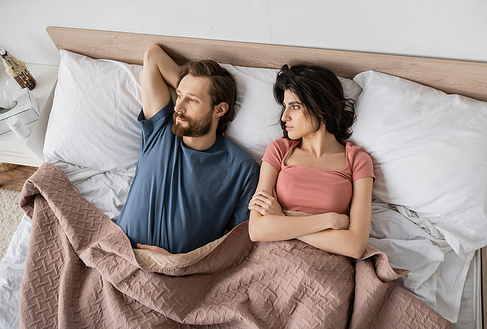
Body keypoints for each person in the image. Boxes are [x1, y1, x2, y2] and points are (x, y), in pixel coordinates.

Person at [116, 44, 259, 254]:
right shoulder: (160, 131)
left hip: (180, 275)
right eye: (179, 95)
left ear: (220, 109)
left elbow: (238, 243)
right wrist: (192, 89)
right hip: (117, 255)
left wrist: (177, 262)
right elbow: (153, 56)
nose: (178, 107)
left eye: (192, 100)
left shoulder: (241, 168)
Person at [248, 64, 374, 259]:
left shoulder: (357, 160)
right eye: (285, 106)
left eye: (295, 106)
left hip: (328, 265)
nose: (284, 116)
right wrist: (328, 220)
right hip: (273, 257)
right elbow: (257, 230)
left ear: (321, 107)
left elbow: (355, 245)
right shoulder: (279, 150)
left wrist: (281, 220)